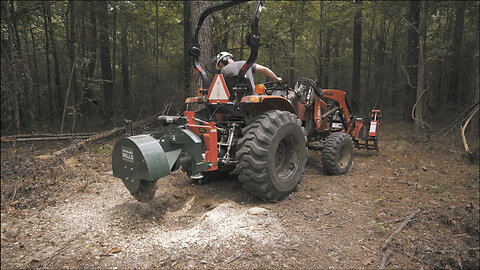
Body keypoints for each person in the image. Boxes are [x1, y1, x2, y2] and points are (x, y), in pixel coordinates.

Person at [214, 52, 282, 94]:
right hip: (252, 97)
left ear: (224, 60)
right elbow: (264, 69)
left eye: (220, 65)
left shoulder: (223, 72)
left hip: (232, 102)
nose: (221, 68)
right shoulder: (245, 64)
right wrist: (277, 79)